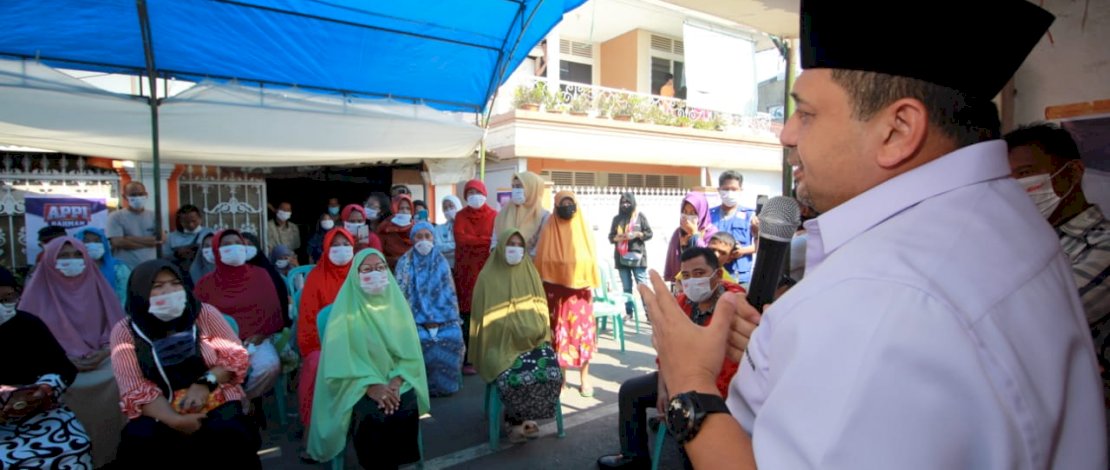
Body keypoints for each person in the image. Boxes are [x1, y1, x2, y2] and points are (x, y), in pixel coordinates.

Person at [639, 1, 1105, 468]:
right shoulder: (1007, 215)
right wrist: (792, 348)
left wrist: (690, 382)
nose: (786, 133)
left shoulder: (875, 296)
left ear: (898, 130)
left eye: (807, 113)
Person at [1005, 122, 1110, 430]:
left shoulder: (1103, 246)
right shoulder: (1014, 243)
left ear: (1073, 172)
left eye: (1024, 174)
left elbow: (1042, 322)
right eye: (1006, 179)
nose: (1016, 188)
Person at [598, 248, 743, 469]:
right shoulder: (681, 304)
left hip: (718, 388)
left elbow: (733, 369)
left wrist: (680, 397)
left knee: (692, 427)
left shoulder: (735, 306)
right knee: (631, 390)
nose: (692, 280)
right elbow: (666, 351)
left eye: (699, 272)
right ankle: (634, 459)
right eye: (686, 276)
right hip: (679, 377)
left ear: (718, 274)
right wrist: (665, 388)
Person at [110, 260, 261, 469]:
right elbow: (134, 386)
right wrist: (174, 420)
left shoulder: (203, 314)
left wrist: (204, 383)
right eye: (157, 286)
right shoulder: (126, 330)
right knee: (139, 441)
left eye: (175, 283)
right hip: (160, 408)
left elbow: (235, 356)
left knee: (229, 433)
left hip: (215, 396)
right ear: (140, 291)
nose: (169, 292)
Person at [307, 249, 430, 469]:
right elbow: (340, 362)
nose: (375, 273)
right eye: (367, 269)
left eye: (380, 268)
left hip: (395, 379)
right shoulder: (343, 311)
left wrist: (395, 382)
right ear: (356, 274)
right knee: (373, 414)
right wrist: (370, 386)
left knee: (404, 404)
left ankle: (398, 462)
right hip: (355, 383)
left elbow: (410, 355)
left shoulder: (398, 307)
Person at [20, 236, 127, 467]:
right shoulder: (37, 291)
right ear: (50, 260)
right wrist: (61, 360)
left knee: (119, 374)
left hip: (101, 362)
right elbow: (25, 343)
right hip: (54, 367)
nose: (72, 261)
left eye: (78, 255)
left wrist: (106, 350)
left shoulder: (97, 284)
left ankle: (110, 454)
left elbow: (118, 328)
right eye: (63, 256)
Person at [470, 228, 563, 443]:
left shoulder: (530, 273)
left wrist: (534, 331)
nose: (515, 249)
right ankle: (515, 421)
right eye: (510, 244)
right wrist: (512, 330)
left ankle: (528, 416)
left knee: (550, 372)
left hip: (533, 341)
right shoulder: (487, 277)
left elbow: (541, 310)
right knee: (515, 378)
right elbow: (484, 322)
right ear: (501, 246)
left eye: (519, 245)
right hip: (497, 345)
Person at [0, 266, 94, 468]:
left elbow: (63, 368)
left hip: (40, 414)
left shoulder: (27, 325)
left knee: (74, 446)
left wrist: (43, 389)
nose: (2, 307)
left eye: (7, 299)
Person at [193, 230, 284, 401]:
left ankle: (245, 399)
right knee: (212, 371)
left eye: (238, 242)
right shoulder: (205, 284)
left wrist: (260, 335)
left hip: (255, 340)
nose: (234, 247)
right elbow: (198, 319)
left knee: (269, 366)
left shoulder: (260, 275)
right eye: (226, 244)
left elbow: (273, 310)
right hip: (219, 343)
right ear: (216, 251)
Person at [535, 191, 600, 396]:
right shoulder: (549, 228)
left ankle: (584, 378)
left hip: (579, 294)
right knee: (560, 335)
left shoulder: (583, 228)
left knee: (582, 335)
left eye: (570, 202)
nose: (567, 207)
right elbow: (543, 260)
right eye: (562, 203)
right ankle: (562, 378)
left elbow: (591, 259)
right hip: (556, 294)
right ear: (555, 206)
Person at [295, 228, 355, 432]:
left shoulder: (361, 273)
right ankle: (311, 429)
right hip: (324, 344)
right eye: (335, 245)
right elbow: (308, 321)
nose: (341, 249)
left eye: (346, 245)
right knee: (313, 365)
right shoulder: (315, 278)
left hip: (359, 342)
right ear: (326, 249)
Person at [396, 221, 464, 396]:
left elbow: (449, 294)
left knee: (452, 337)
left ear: (433, 238)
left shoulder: (441, 261)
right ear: (412, 239)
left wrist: (439, 320)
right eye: (419, 236)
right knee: (421, 340)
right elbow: (401, 298)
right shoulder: (404, 263)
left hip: (443, 318)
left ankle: (447, 385)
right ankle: (420, 389)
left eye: (428, 236)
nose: (424, 240)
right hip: (412, 319)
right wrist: (423, 320)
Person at [454, 180, 498, 376]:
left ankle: (488, 355)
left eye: (476, 191)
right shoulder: (460, 216)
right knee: (467, 315)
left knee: (488, 313)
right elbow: (460, 240)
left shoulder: (494, 216)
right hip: (465, 272)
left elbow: (494, 240)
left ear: (484, 193)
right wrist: (484, 241)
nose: (473, 195)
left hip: (487, 269)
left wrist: (476, 242)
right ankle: (468, 358)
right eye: (469, 192)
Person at [708, 171, 758, 284]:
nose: (730, 192)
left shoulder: (750, 215)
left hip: (740, 276)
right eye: (726, 189)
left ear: (741, 190)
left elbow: (759, 244)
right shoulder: (709, 215)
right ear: (719, 190)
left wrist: (742, 251)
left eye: (734, 189)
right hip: (714, 274)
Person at [609, 192, 653, 319]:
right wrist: (620, 237)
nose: (625, 204)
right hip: (622, 258)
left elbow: (649, 233)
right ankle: (629, 313)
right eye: (623, 202)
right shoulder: (617, 219)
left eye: (628, 202)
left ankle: (649, 314)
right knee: (626, 288)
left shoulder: (640, 217)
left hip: (638, 258)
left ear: (633, 202)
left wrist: (639, 234)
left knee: (642, 286)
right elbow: (611, 237)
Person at [663, 192, 717, 282]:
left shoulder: (711, 232)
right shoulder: (678, 232)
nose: (688, 216)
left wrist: (695, 234)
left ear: (702, 212)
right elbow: (674, 262)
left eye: (693, 213)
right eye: (685, 212)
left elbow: (707, 259)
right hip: (681, 283)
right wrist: (683, 246)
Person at [242, 232, 292, 328]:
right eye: (242, 245)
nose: (246, 248)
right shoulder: (234, 272)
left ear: (256, 246)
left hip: (268, 325)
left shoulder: (267, 271)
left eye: (249, 244)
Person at [492, 171, 549, 256]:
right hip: (502, 263)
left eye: (519, 186)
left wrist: (523, 261)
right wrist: (496, 252)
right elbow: (495, 238)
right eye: (513, 187)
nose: (515, 190)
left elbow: (541, 245)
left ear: (532, 189)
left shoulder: (543, 216)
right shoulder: (504, 211)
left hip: (529, 265)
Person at [108, 181, 161, 269]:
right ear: (125, 196)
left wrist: (128, 238)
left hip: (150, 266)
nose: (137, 197)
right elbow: (117, 242)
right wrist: (150, 242)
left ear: (146, 194)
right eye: (133, 195)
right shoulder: (115, 216)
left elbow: (161, 239)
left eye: (140, 194)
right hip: (125, 268)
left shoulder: (154, 215)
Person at [77, 226, 132, 307]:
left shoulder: (119, 268)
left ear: (104, 243)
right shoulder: (74, 269)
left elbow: (124, 299)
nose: (92, 245)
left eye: (97, 241)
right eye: (86, 241)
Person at [377, 194, 417, 269]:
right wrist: (395, 261)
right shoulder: (385, 228)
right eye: (401, 208)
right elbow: (378, 254)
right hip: (390, 270)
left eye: (408, 209)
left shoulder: (416, 228)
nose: (405, 211)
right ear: (394, 208)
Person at [164, 204, 205, 276]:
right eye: (186, 222)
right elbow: (164, 258)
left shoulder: (210, 234)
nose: (191, 225)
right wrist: (176, 255)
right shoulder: (171, 237)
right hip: (181, 275)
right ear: (180, 221)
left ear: (200, 219)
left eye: (194, 221)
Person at [435, 195, 461, 268]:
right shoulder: (438, 229)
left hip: (461, 267)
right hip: (444, 268)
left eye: (451, 206)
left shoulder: (466, 226)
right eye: (445, 208)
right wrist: (457, 245)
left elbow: (466, 247)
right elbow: (437, 248)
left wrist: (446, 246)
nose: (448, 210)